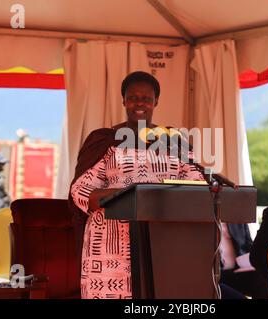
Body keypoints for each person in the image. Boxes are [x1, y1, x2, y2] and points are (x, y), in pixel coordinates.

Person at [69, 71, 205, 299]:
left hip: (164, 240)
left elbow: (197, 183)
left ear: (156, 102)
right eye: (133, 97)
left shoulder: (173, 140)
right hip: (111, 243)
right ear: (123, 100)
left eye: (146, 98)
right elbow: (81, 191)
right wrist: (127, 195)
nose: (139, 102)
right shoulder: (105, 140)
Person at [220, 222, 268, 298]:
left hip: (237, 271)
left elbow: (249, 246)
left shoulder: (237, 219)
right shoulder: (203, 221)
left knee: (263, 276)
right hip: (216, 276)